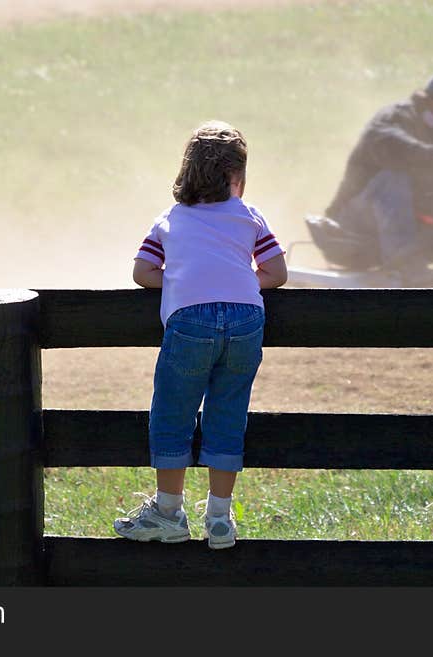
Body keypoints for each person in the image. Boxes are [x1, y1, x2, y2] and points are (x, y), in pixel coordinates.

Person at [113, 120, 288, 550]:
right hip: (247, 320)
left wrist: (182, 279)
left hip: (191, 322)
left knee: (173, 413)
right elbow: (277, 272)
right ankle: (220, 520)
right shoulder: (249, 215)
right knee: (227, 413)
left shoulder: (170, 219)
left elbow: (142, 272)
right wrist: (239, 280)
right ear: (236, 177)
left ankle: (169, 513)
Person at [320, 66, 433, 284]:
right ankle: (409, 268)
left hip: (414, 232)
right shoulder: (397, 117)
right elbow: (389, 145)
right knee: (394, 178)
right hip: (352, 225)